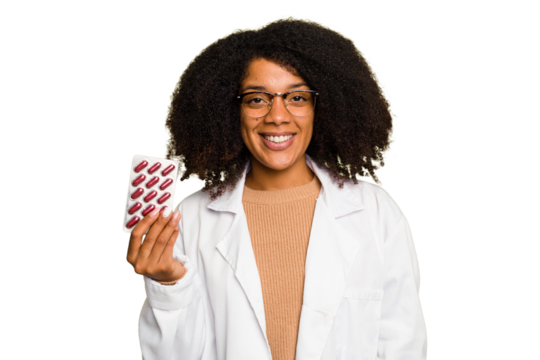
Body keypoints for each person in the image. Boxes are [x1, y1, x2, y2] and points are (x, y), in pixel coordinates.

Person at [126, 11, 427, 360]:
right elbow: (171, 357)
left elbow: (404, 347)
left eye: (297, 97)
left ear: (321, 106)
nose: (278, 116)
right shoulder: (190, 218)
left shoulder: (376, 212)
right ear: (230, 109)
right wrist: (168, 285)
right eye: (257, 99)